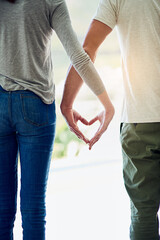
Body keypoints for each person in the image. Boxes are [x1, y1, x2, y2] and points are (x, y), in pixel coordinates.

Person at [0, 0, 114, 239]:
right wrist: (107, 104)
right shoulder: (51, 2)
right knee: (33, 209)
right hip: (36, 106)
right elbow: (79, 57)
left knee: (2, 210)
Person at [60, 0, 160, 239]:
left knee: (142, 215)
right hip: (137, 120)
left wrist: (67, 103)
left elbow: (88, 49)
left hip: (139, 120)